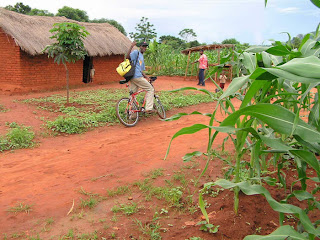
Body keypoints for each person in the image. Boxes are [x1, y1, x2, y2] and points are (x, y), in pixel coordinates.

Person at [126, 41, 154, 113]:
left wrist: (147, 77)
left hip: (134, 78)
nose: (144, 48)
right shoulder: (136, 53)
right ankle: (149, 108)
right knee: (150, 89)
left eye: (145, 46)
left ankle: (131, 113)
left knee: (132, 95)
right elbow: (127, 57)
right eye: (143, 46)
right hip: (137, 77)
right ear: (140, 47)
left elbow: (141, 70)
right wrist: (131, 46)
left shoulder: (141, 57)